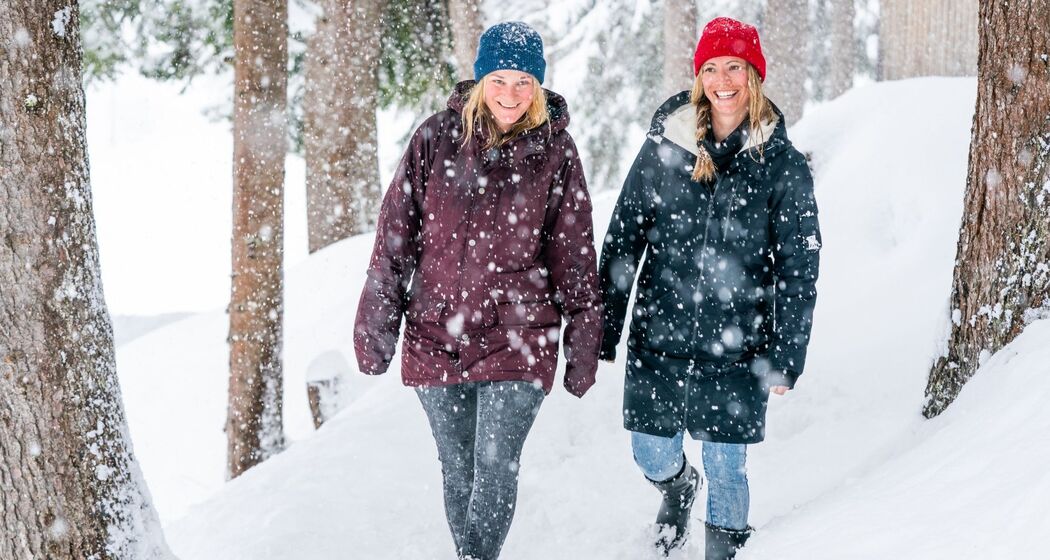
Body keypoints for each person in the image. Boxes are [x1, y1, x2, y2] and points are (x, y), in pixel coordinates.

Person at [354, 21, 602, 560]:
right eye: (500, 79)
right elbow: (395, 238)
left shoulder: (556, 152)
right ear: (479, 80)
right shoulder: (434, 139)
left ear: (537, 87)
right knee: (458, 463)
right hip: (435, 332)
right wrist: (377, 327)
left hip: (520, 335)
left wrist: (583, 340)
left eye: (523, 82)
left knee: (494, 460)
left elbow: (574, 252)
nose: (510, 94)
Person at [598, 16, 821, 560]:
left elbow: (800, 266)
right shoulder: (665, 148)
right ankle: (677, 488)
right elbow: (624, 236)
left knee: (726, 467)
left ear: (755, 76)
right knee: (650, 453)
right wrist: (604, 326)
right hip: (659, 337)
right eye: (713, 68)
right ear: (700, 77)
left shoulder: (782, 166)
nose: (724, 80)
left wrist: (785, 354)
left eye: (736, 68)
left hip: (737, 346)